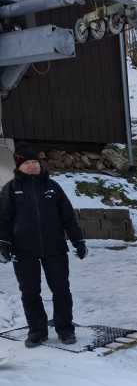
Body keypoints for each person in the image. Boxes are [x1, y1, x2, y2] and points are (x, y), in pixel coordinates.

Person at [0, 144, 87, 348]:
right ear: (19, 166)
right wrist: (3, 244)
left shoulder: (52, 187)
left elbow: (68, 216)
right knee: (30, 292)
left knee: (61, 289)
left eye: (35, 162)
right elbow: (3, 219)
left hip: (54, 247)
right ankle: (37, 332)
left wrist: (78, 241)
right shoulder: (11, 189)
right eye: (27, 163)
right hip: (23, 250)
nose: (32, 166)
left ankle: (65, 329)